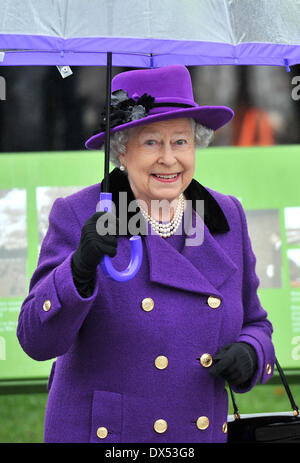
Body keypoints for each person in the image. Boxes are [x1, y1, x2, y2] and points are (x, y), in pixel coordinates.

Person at [17, 65, 275, 443]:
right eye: (151, 142)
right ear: (121, 151)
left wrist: (252, 353)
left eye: (181, 142)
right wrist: (78, 270)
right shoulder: (79, 213)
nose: (169, 159)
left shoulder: (227, 215)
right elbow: (35, 340)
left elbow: (256, 322)